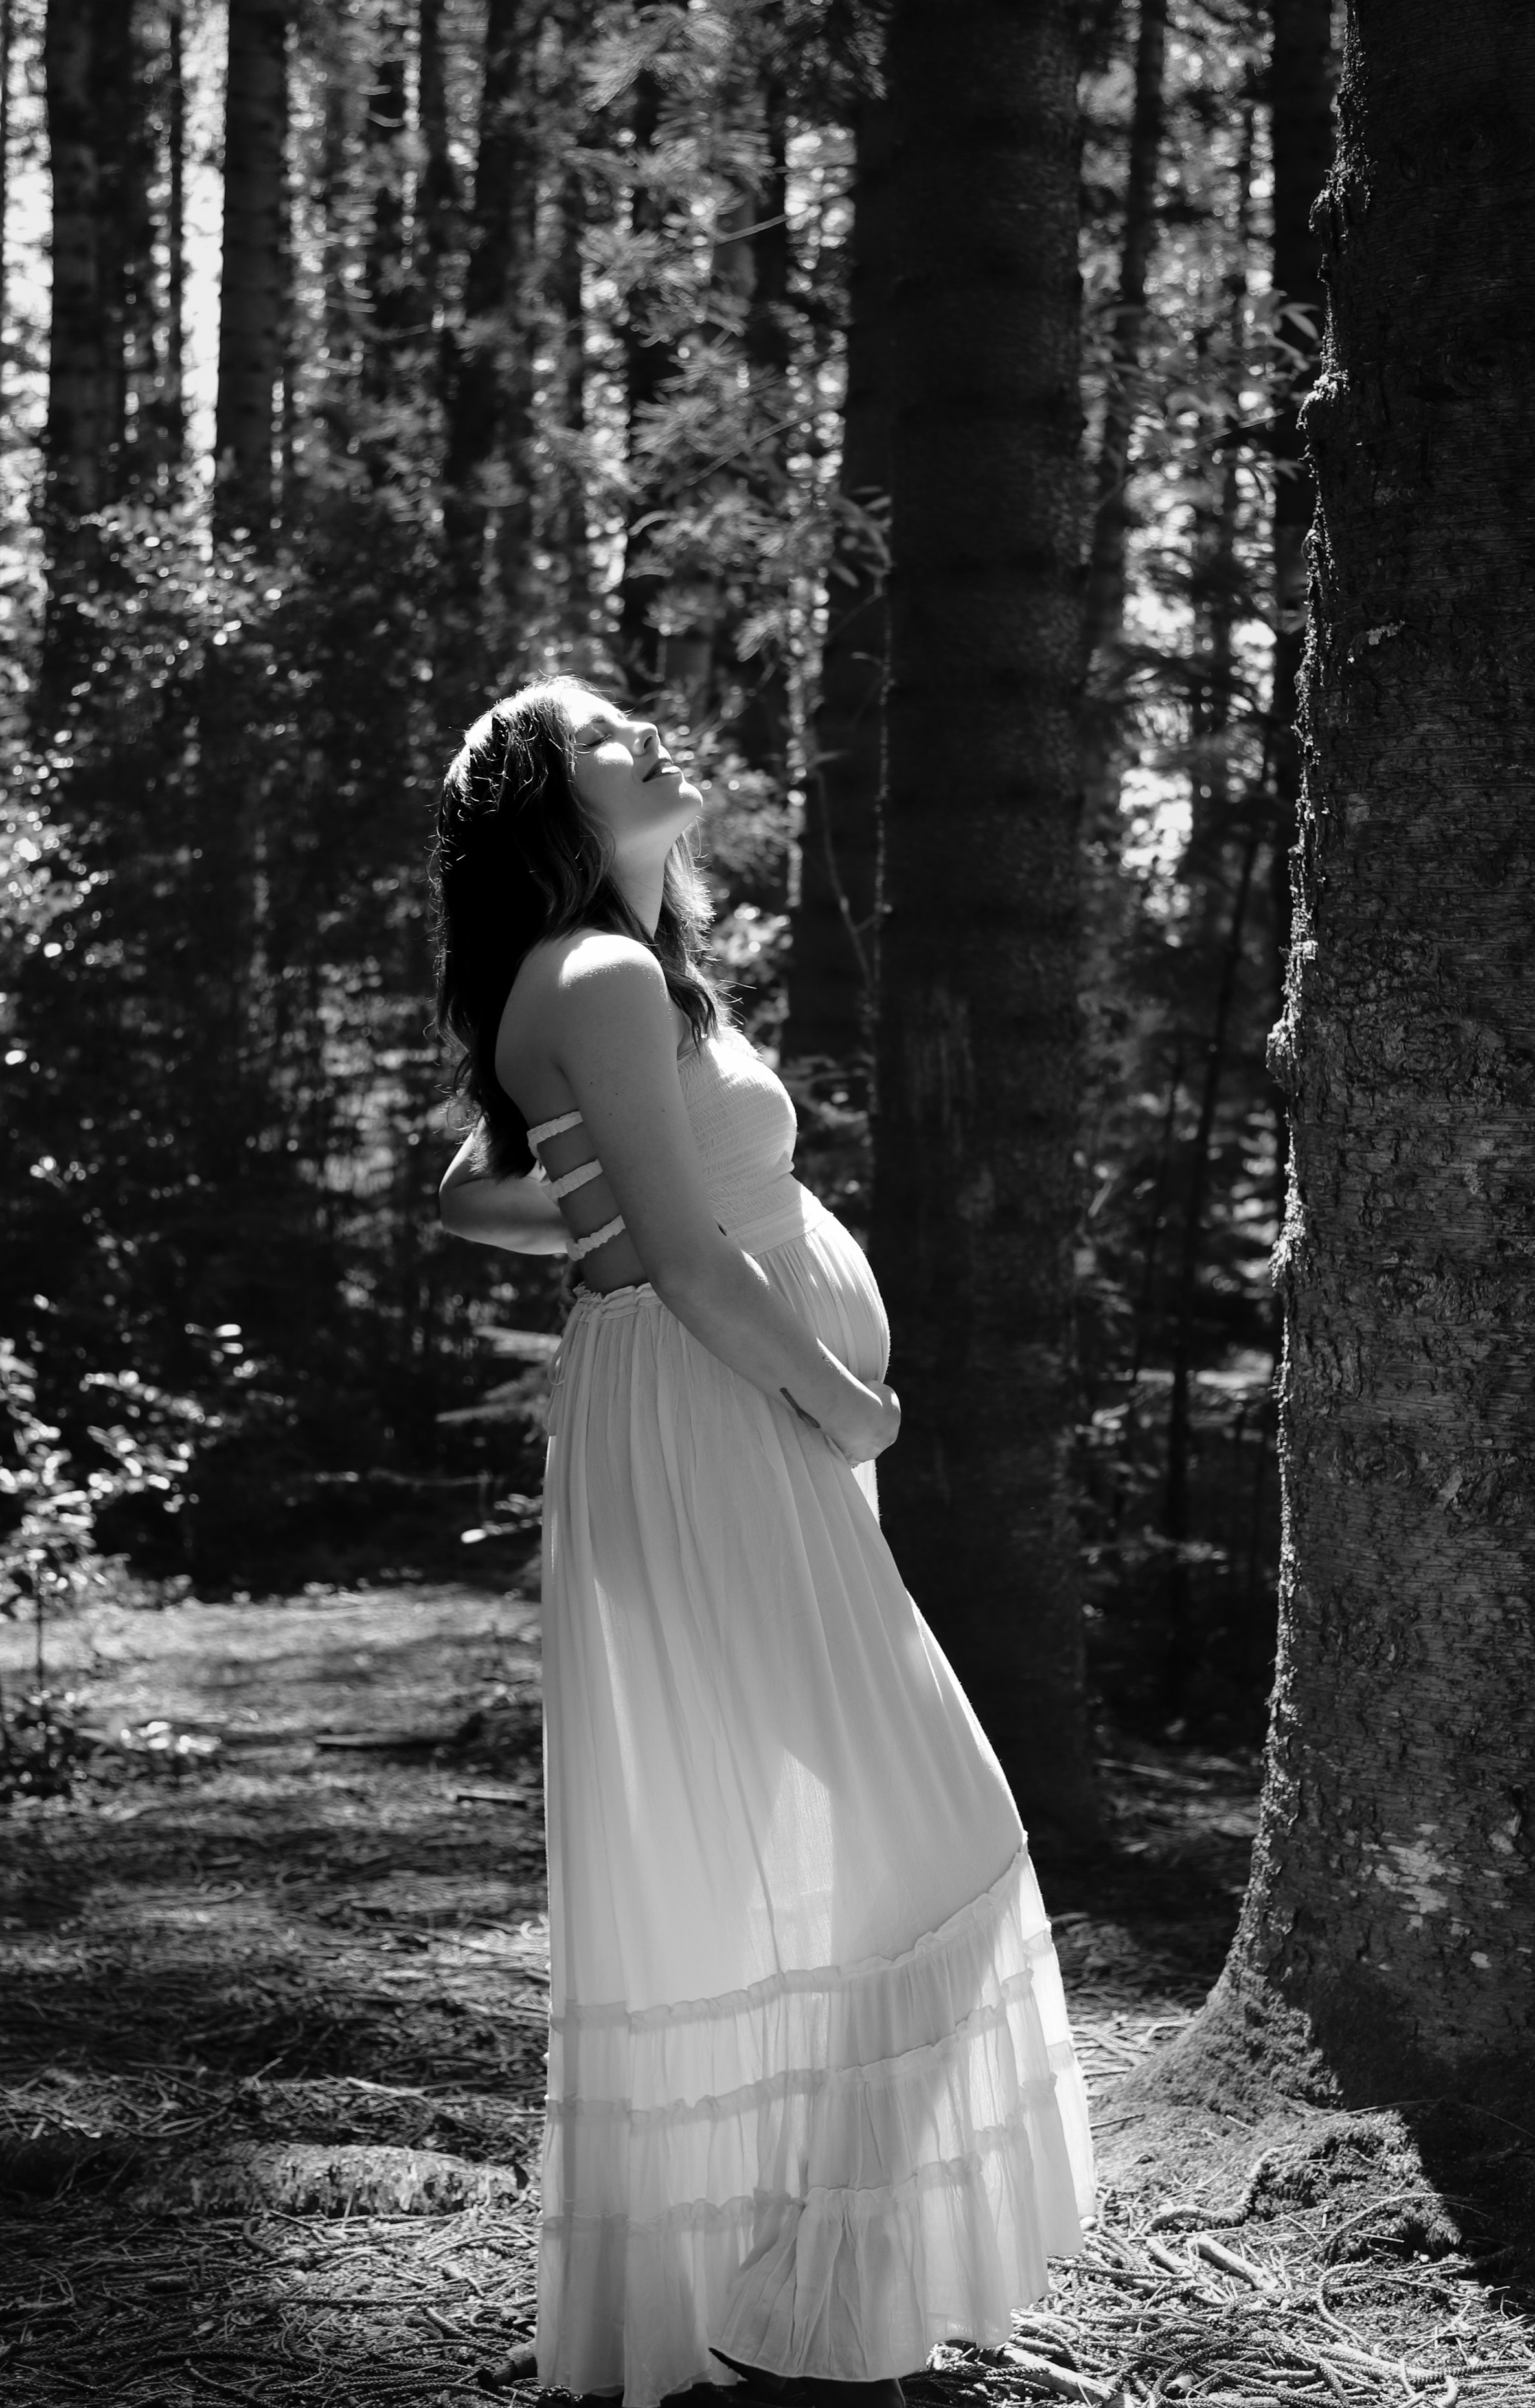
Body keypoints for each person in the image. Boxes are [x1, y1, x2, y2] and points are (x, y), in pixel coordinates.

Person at [433, 677, 1094, 2408]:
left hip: (719, 1422)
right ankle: (802, 2305)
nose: (652, 732)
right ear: (545, 802)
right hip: (729, 1421)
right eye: (604, 732)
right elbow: (680, 1257)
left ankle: (792, 2289)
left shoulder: (631, 977)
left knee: (851, 1843)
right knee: (943, 1828)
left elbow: (502, 1194)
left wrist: (609, 1211)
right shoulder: (591, 975)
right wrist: (844, 1402)